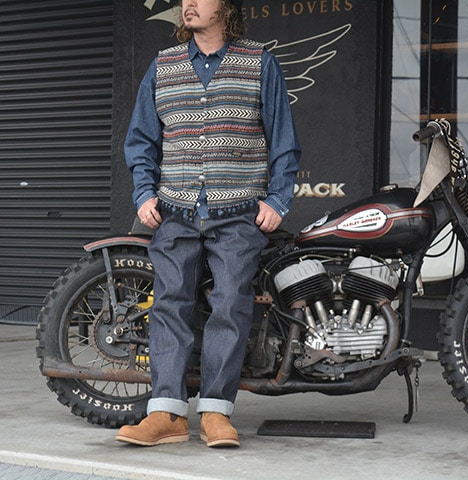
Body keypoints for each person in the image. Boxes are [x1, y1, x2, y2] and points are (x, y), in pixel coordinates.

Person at [116, 0, 301, 448]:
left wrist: (278, 199)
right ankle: (166, 414)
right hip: (175, 212)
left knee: (230, 306)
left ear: (226, 7)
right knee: (169, 306)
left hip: (238, 212)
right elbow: (141, 138)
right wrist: (144, 193)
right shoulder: (163, 66)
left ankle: (216, 412)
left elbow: (283, 140)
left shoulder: (259, 63)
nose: (189, 4)